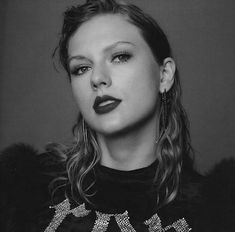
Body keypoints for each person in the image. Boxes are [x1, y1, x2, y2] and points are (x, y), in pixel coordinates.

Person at [0, 0, 234, 231]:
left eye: (120, 56)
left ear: (164, 76)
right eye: (82, 68)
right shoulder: (25, 189)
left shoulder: (214, 210)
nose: (97, 78)